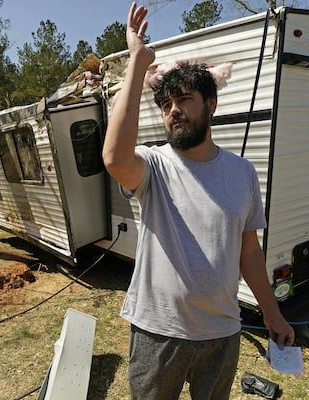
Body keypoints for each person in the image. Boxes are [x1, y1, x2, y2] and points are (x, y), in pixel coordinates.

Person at [101, 3, 295, 400]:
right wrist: (137, 64)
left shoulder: (242, 173)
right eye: (167, 104)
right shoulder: (153, 166)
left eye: (185, 99)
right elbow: (114, 159)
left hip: (222, 333)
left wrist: (273, 314)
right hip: (158, 333)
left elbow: (249, 253)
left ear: (211, 105)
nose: (174, 111)